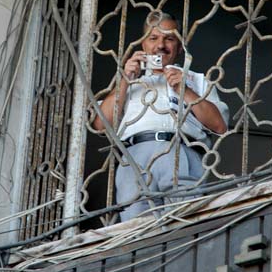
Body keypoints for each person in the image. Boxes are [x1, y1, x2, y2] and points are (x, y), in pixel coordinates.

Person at [93, 12, 229, 221]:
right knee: (135, 230)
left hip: (181, 150)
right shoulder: (129, 84)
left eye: (169, 38)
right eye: (153, 38)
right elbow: (100, 124)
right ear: (143, 44)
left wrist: (185, 89)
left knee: (183, 220)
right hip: (134, 156)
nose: (161, 45)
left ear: (179, 46)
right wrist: (124, 79)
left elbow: (219, 126)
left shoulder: (196, 80)